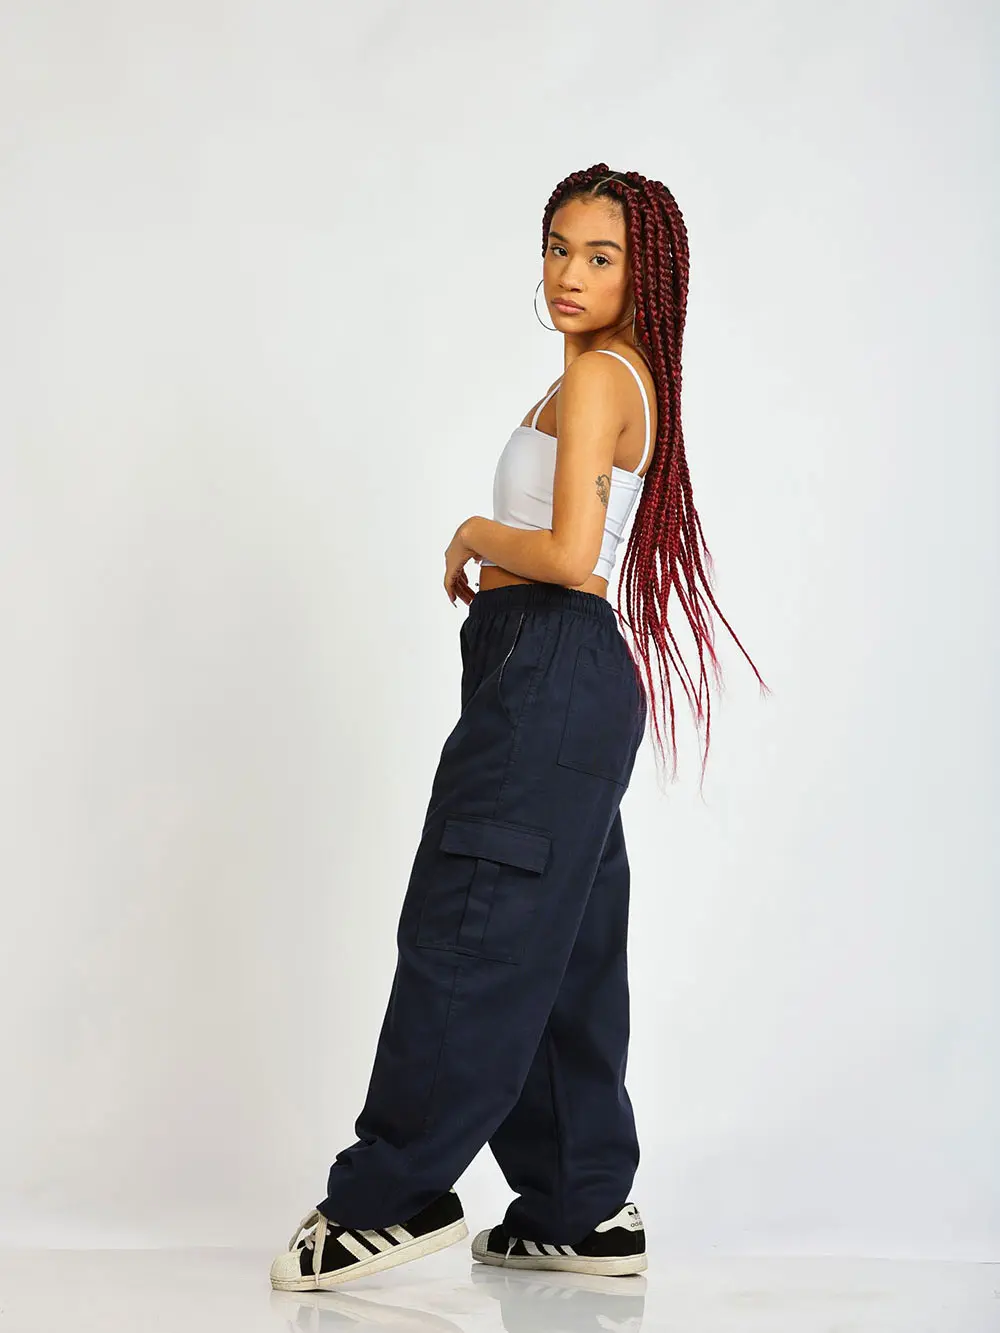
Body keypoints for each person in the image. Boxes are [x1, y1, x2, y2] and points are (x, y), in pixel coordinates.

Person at [270, 164, 769, 1292]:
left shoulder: (599, 376)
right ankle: (580, 1207)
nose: (568, 274)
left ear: (645, 273)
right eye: (556, 248)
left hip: (548, 663)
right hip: (563, 679)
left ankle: (388, 1197)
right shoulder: (611, 377)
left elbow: (571, 558)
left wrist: (469, 531)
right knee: (565, 943)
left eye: (600, 256)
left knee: (473, 920)